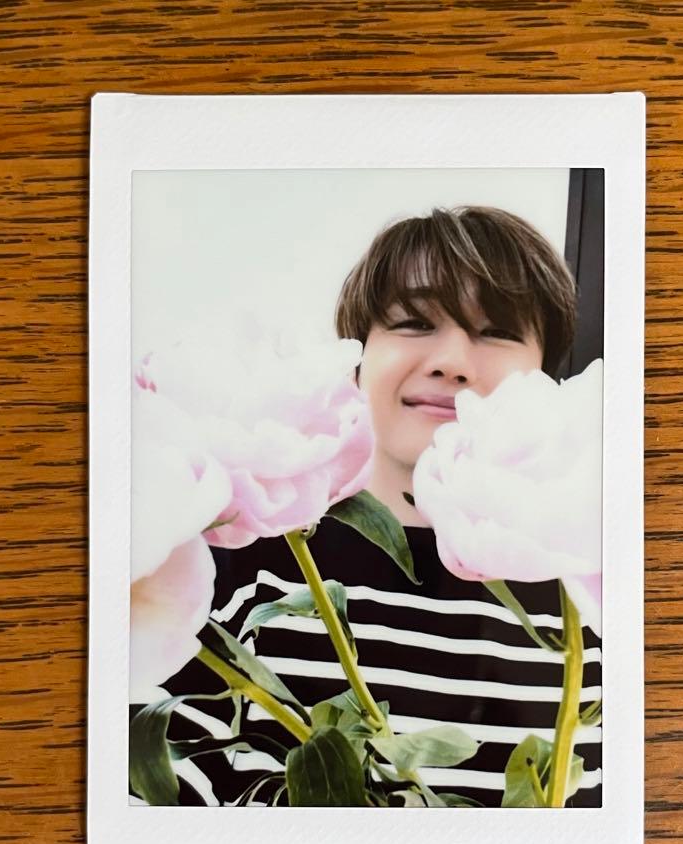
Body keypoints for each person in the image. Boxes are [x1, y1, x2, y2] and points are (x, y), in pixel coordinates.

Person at [148, 206, 603, 807]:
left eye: (497, 331)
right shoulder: (232, 576)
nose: (452, 362)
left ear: (545, 374)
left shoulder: (594, 613)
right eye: (413, 323)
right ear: (358, 359)